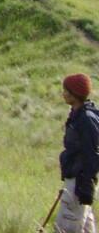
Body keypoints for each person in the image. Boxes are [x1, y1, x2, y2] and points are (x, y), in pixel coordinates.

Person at [57, 73, 99, 233]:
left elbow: (92, 154)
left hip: (78, 183)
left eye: (66, 90)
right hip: (78, 181)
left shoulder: (85, 120)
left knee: (65, 228)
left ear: (75, 94)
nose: (63, 93)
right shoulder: (79, 115)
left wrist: (86, 186)